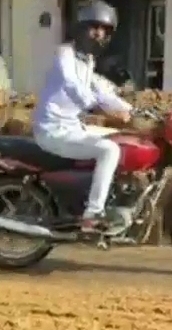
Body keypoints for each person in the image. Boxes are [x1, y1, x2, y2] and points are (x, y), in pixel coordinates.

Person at [32, 0, 132, 233]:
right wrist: (99, 109)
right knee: (109, 150)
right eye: (94, 27)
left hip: (72, 127)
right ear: (80, 28)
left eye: (105, 30)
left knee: (122, 139)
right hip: (53, 130)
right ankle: (93, 214)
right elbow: (72, 84)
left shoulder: (88, 61)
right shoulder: (64, 53)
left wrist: (132, 109)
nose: (99, 34)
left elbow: (102, 91)